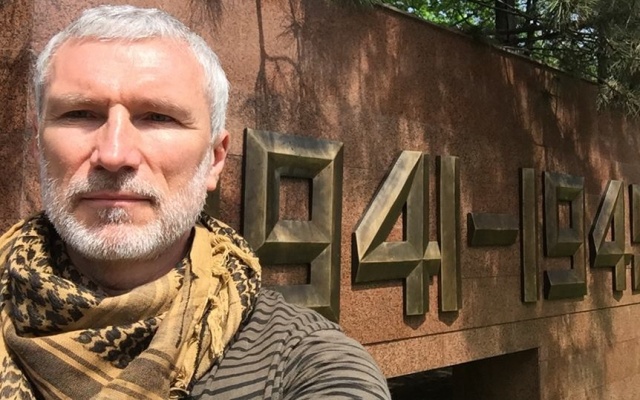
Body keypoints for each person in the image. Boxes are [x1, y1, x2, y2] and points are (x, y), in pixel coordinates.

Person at [0, 5, 390, 399]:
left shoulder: (308, 365)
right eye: (80, 113)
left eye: (158, 117)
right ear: (37, 145)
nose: (114, 154)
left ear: (214, 159)